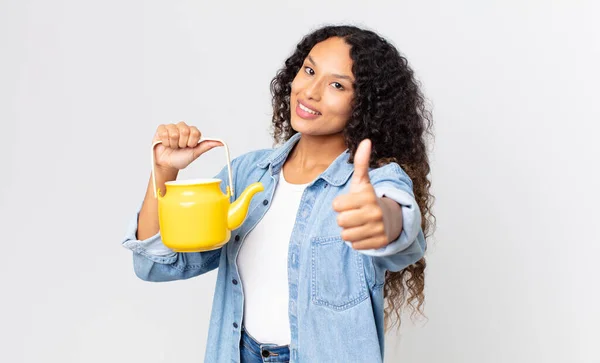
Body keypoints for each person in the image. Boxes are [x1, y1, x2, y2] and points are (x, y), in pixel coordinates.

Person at [122, 24, 434, 363]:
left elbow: (401, 228)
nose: (311, 92)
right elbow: (155, 265)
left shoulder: (374, 183)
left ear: (366, 104)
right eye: (309, 70)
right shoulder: (245, 174)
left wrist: (380, 220)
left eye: (337, 85)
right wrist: (163, 172)